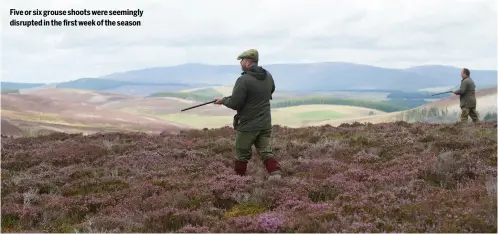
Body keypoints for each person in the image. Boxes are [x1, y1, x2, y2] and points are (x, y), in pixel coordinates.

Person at [214, 49, 281, 180]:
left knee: (241, 154)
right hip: (265, 123)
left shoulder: (243, 80)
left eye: (242, 60)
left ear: (249, 62)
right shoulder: (268, 76)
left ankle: (238, 181)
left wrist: (223, 101)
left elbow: (235, 103)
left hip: (248, 125)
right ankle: (276, 175)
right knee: (266, 152)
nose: (240, 63)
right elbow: (270, 91)